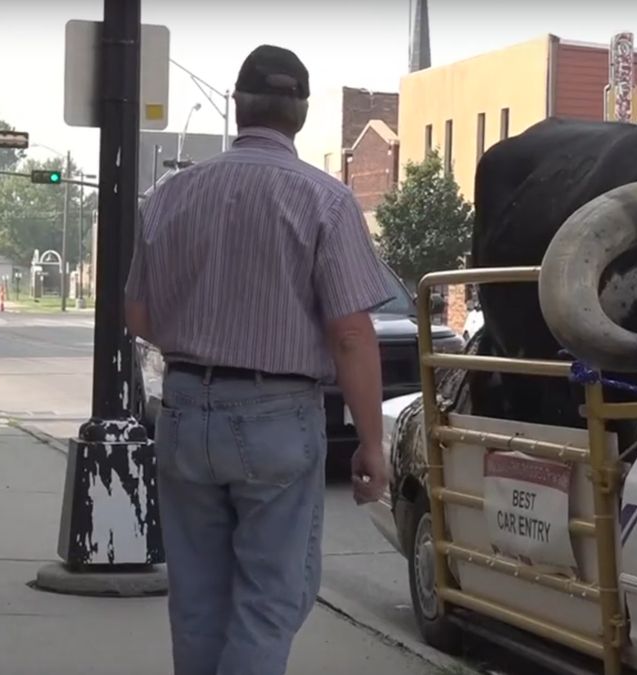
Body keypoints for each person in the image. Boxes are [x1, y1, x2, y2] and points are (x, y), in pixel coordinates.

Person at [125, 44, 392, 675]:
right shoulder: (326, 200)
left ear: (238, 104)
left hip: (186, 411)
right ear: (299, 113)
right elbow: (353, 334)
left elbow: (136, 317)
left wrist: (201, 343)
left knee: (196, 600)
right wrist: (372, 442)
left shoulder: (169, 195)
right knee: (271, 601)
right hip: (276, 416)